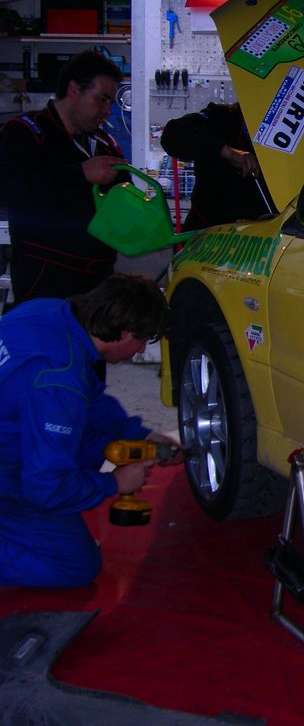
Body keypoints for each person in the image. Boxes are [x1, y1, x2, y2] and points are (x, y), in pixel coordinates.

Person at [0, 273, 178, 588]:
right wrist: (114, 483)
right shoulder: (58, 381)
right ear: (125, 333)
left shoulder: (48, 312)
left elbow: (90, 398)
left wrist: (138, 434)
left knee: (93, 443)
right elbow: (47, 487)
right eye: (142, 341)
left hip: (15, 424)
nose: (139, 351)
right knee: (75, 566)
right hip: (10, 469)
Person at [0, 50, 127, 304]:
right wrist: (81, 173)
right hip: (45, 284)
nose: (107, 110)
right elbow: (12, 191)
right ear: (74, 89)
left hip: (98, 285)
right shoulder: (26, 132)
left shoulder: (105, 143)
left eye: (111, 103)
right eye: (102, 100)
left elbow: (120, 203)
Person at [160, 101, 274, 230]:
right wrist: (227, 152)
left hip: (264, 233)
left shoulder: (288, 153)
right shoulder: (221, 117)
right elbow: (172, 135)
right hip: (207, 230)